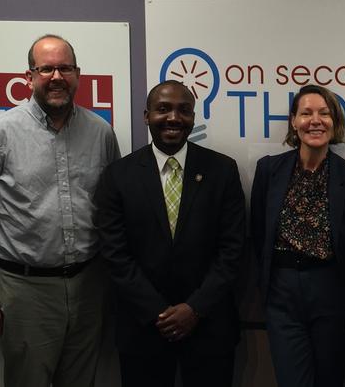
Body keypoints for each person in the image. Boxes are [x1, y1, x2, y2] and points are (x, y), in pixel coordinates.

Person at [0, 35, 120, 387]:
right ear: (29, 76)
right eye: (46, 68)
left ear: (78, 74)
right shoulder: (0, 133)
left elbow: (113, 211)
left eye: (65, 68)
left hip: (88, 287)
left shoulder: (101, 133)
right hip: (25, 291)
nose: (56, 76)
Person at [94, 80, 245, 387]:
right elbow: (114, 253)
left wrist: (194, 308)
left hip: (209, 325)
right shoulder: (118, 175)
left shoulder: (222, 171)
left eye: (183, 110)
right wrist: (158, 312)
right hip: (142, 327)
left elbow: (232, 250)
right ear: (146, 115)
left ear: (193, 117)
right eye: (163, 109)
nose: (174, 118)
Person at [250, 84, 345, 387]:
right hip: (282, 292)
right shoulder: (268, 170)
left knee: (330, 380)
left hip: (331, 290)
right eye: (306, 113)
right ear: (293, 121)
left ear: (335, 123)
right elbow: (258, 233)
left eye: (324, 113)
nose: (315, 120)